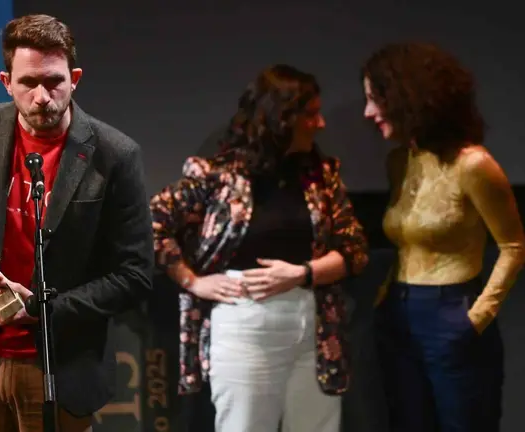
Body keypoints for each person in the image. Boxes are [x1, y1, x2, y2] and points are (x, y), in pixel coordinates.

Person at [0, 14, 153, 432]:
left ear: (74, 78)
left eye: (54, 81)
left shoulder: (116, 155)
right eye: (28, 83)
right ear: (7, 82)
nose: (42, 96)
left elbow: (135, 274)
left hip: (58, 365)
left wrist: (45, 308)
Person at [151, 64, 369, 432]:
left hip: (312, 326)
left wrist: (303, 273)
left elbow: (355, 247)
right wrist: (193, 281)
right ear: (282, 118)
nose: (320, 124)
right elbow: (153, 222)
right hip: (244, 327)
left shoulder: (321, 175)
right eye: (311, 114)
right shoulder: (219, 174)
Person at [362, 42, 525, 432]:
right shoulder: (399, 162)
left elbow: (514, 247)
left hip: (451, 309)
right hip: (398, 313)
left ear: (407, 97)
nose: (368, 112)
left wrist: (475, 319)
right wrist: (386, 297)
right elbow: (407, 239)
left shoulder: (473, 164)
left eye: (375, 99)